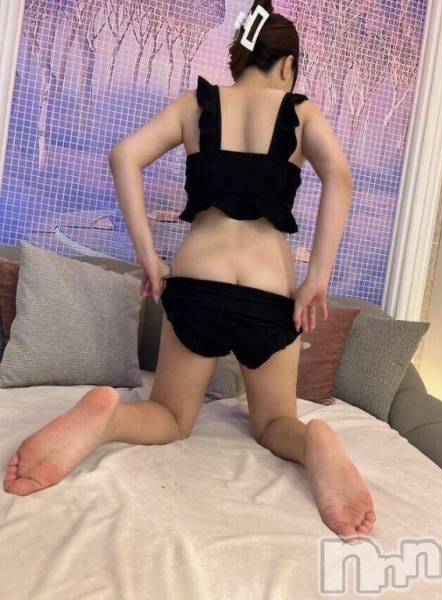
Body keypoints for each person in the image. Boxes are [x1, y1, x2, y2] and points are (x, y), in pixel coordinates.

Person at [3, 0, 375, 544]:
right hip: (268, 293)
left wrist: (149, 257)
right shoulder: (303, 114)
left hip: (197, 285)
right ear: (288, 65)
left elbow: (124, 156)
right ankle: (314, 442)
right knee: (275, 425)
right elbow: (339, 177)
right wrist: (317, 278)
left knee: (171, 418)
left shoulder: (195, 105)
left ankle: (108, 417)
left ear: (238, 58)